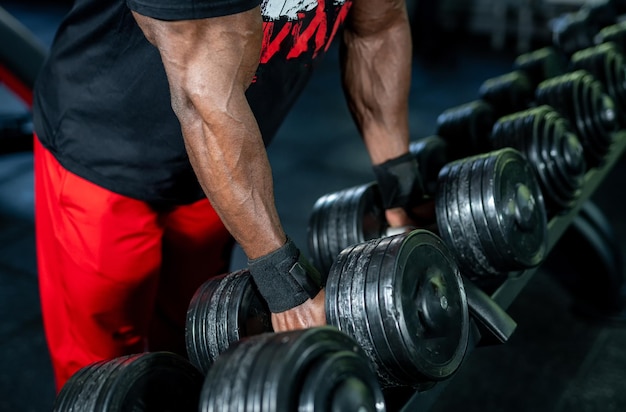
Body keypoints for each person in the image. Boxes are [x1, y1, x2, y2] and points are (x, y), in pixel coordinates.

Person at [32, 0, 424, 392]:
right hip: (103, 149)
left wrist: (399, 189)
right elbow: (204, 102)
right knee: (104, 372)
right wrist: (287, 286)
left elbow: (379, 27)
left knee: (197, 334)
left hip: (221, 169)